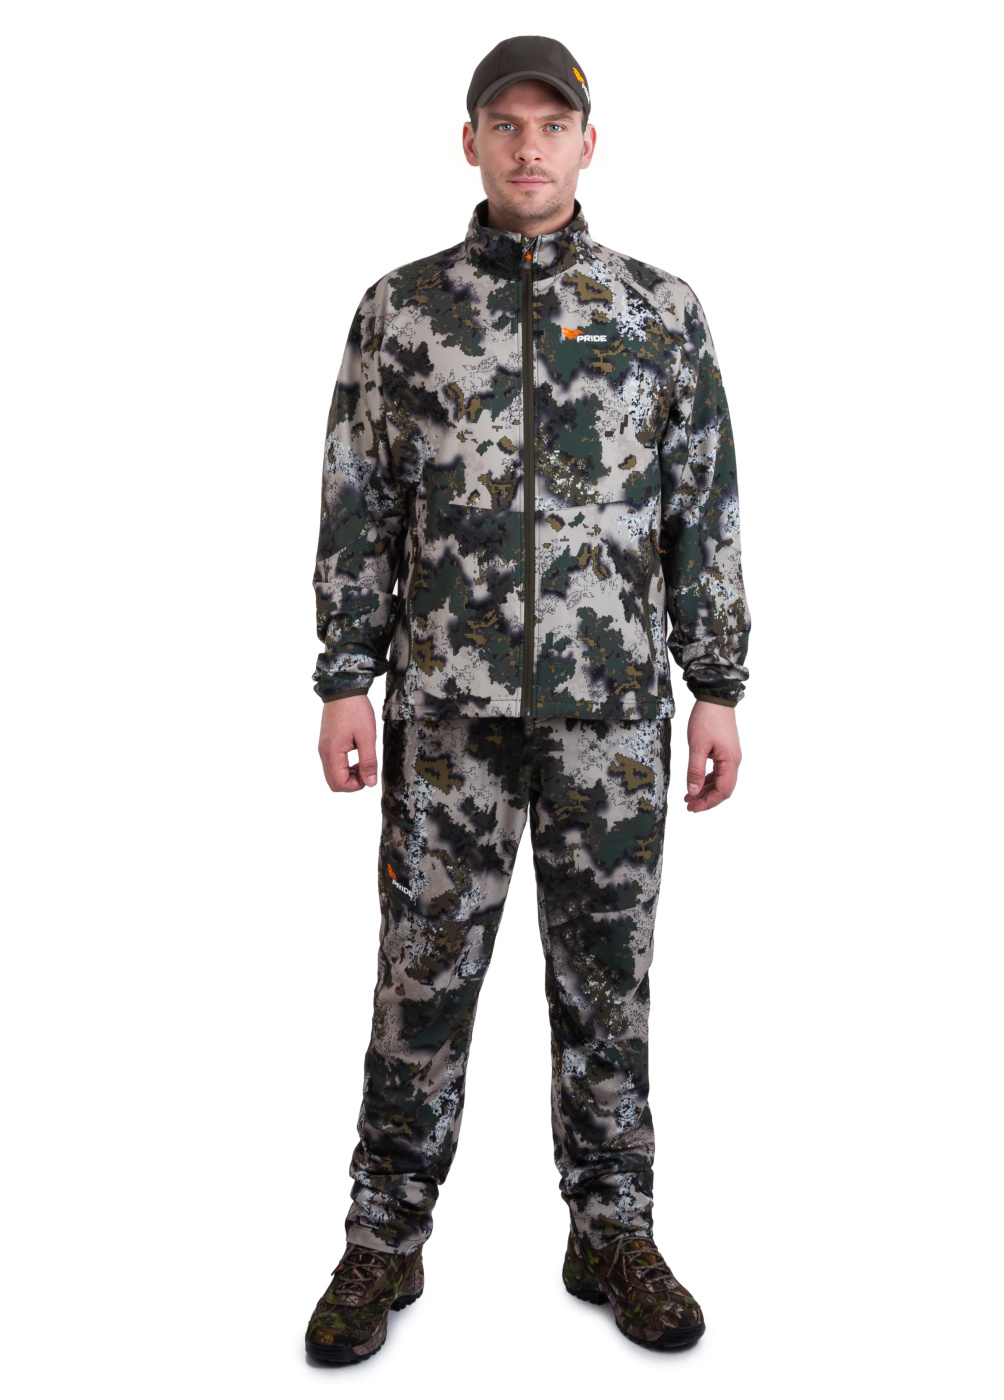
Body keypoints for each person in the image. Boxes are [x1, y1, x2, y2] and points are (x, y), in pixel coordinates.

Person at [304, 34, 750, 1364]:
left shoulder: (657, 311)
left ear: (587, 144)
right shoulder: (402, 313)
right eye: (503, 124)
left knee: (607, 986)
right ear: (471, 143)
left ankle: (612, 1230)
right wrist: (345, 675)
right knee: (418, 983)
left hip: (613, 719)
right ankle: (383, 1238)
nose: (528, 147)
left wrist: (716, 685)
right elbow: (359, 499)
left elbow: (701, 505)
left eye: (551, 124)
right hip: (446, 718)